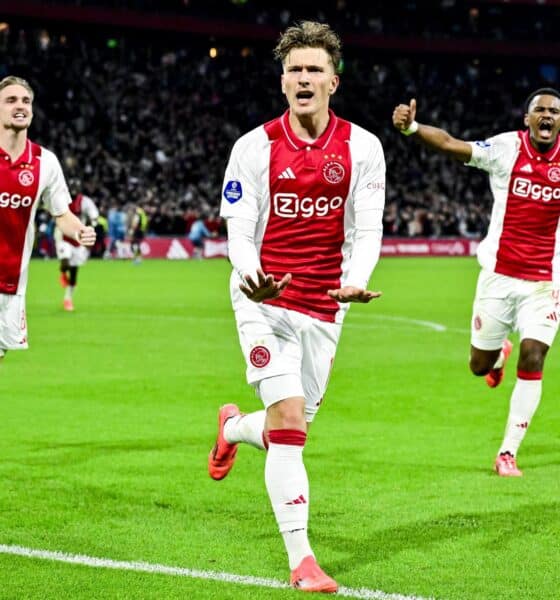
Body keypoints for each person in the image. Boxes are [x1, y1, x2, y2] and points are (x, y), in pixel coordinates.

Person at [208, 21, 385, 593]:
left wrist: (355, 282)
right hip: (263, 299)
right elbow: (238, 229)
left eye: (314, 69)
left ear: (335, 80)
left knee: (294, 428)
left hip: (326, 306)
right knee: (288, 419)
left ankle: (233, 428)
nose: (303, 78)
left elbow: (368, 226)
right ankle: (302, 560)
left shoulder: (364, 147)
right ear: (281, 81)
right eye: (294, 70)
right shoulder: (253, 147)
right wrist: (249, 275)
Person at [392, 88, 560, 477]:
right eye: (541, 111)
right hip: (498, 279)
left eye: (554, 111)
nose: (548, 116)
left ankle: (507, 452)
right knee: (477, 365)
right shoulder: (506, 149)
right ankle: (497, 353)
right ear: (527, 119)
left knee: (534, 356)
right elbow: (453, 144)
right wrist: (412, 128)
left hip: (544, 283)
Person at [0, 76, 96, 360]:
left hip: (11, 283)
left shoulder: (45, 161)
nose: (20, 106)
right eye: (11, 100)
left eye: (26, 101)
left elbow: (61, 213)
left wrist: (79, 231)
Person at [55, 179, 99, 311]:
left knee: (74, 272)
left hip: (79, 239)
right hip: (63, 235)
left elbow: (94, 214)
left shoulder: (84, 201)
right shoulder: (62, 199)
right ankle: (63, 272)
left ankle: (68, 299)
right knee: (65, 260)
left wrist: (93, 223)